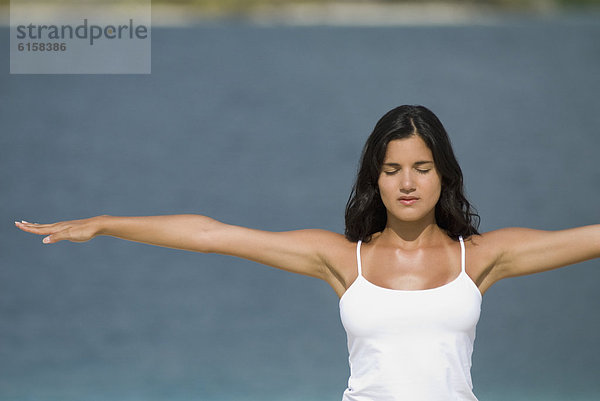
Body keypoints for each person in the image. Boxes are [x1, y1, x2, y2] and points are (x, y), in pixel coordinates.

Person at [15, 105, 600, 401]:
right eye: (393, 169)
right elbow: (213, 234)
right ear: (376, 177)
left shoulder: (485, 257)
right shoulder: (343, 259)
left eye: (422, 168)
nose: (407, 182)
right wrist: (105, 224)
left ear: (443, 175)